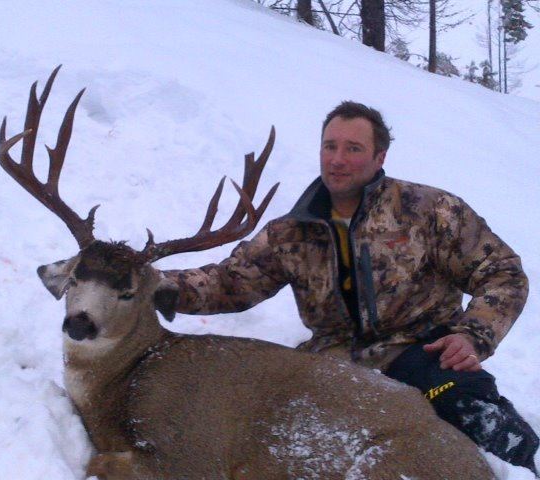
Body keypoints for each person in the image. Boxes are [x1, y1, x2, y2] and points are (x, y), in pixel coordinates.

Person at [165, 101, 539, 475]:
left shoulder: (429, 210)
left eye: (353, 148)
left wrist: (472, 335)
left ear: (380, 157)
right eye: (330, 146)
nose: (337, 160)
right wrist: (155, 285)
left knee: (480, 421)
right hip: (332, 365)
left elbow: (501, 272)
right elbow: (229, 283)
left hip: (421, 352)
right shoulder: (290, 231)